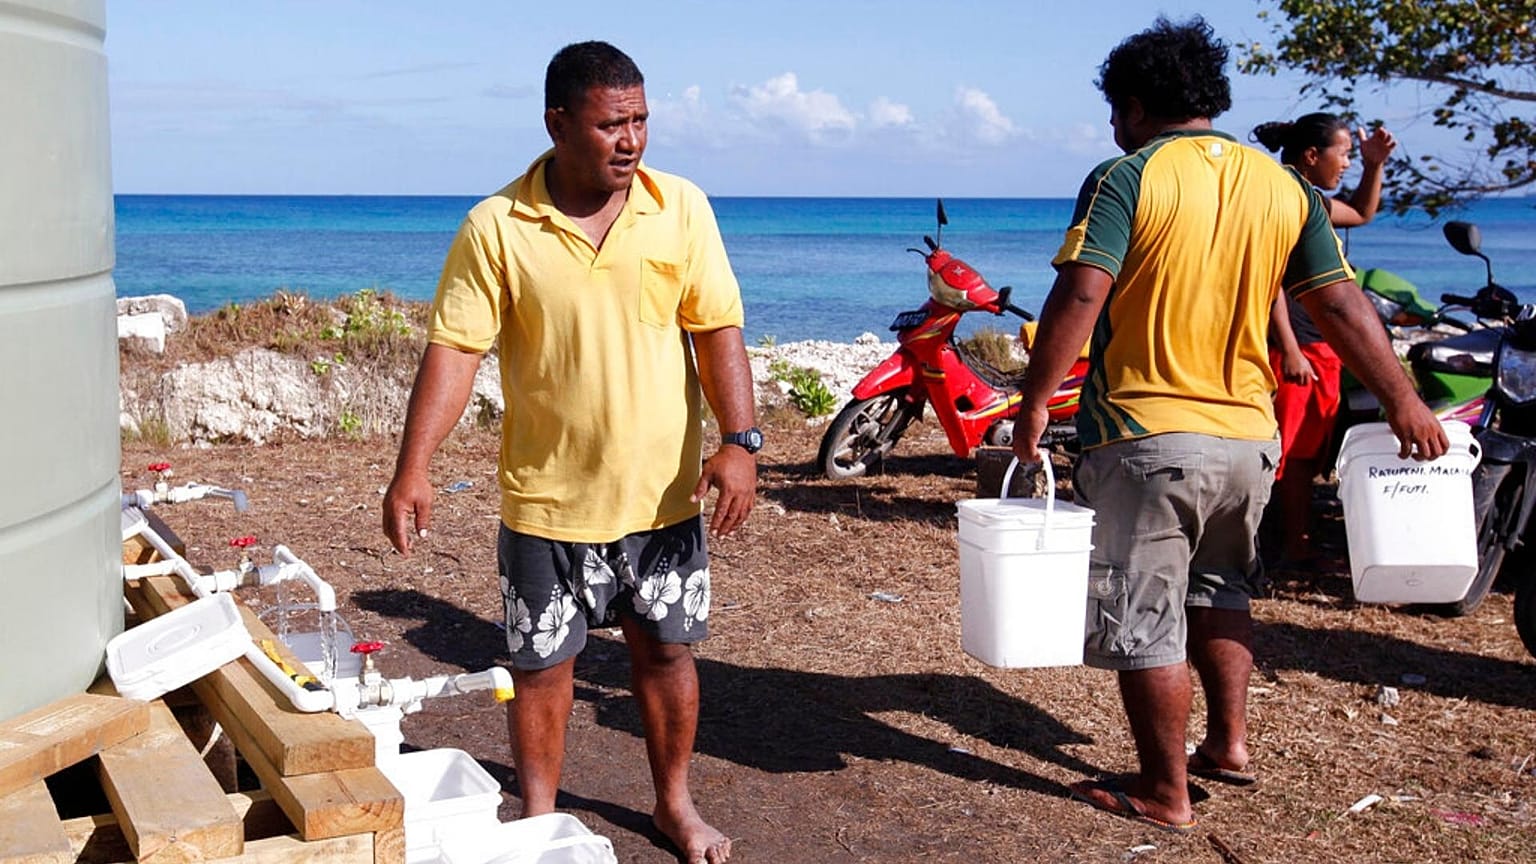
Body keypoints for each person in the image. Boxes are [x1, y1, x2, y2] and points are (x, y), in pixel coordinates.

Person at [1010, 17, 1447, 834]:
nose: (1114, 127)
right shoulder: (1283, 187)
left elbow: (1083, 291)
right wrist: (1402, 399)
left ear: (1137, 106)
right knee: (1222, 589)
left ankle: (1164, 791)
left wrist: (1036, 400)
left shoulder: (1126, 176)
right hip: (1249, 438)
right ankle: (1229, 745)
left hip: (1146, 431)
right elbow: (1339, 302)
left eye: (1115, 111)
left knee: (1144, 610)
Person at [382, 41, 757, 864]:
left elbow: (717, 329)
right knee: (543, 666)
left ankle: (675, 806)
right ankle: (540, 818)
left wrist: (740, 441)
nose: (632, 140)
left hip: (663, 499)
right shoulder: (497, 226)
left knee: (667, 654)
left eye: (641, 120)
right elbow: (455, 352)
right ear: (557, 124)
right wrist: (415, 466)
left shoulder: (681, 207)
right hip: (547, 500)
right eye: (611, 124)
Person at [1252, 113, 1399, 568]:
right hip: (1298, 347)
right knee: (1292, 455)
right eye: (1346, 154)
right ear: (1313, 155)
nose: (1347, 164)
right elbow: (1272, 281)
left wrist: (1375, 164)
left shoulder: (1309, 198)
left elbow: (1362, 213)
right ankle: (1288, 548)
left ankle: (1294, 543)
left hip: (1320, 346)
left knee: (1308, 453)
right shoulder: (1283, 199)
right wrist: (1290, 348)